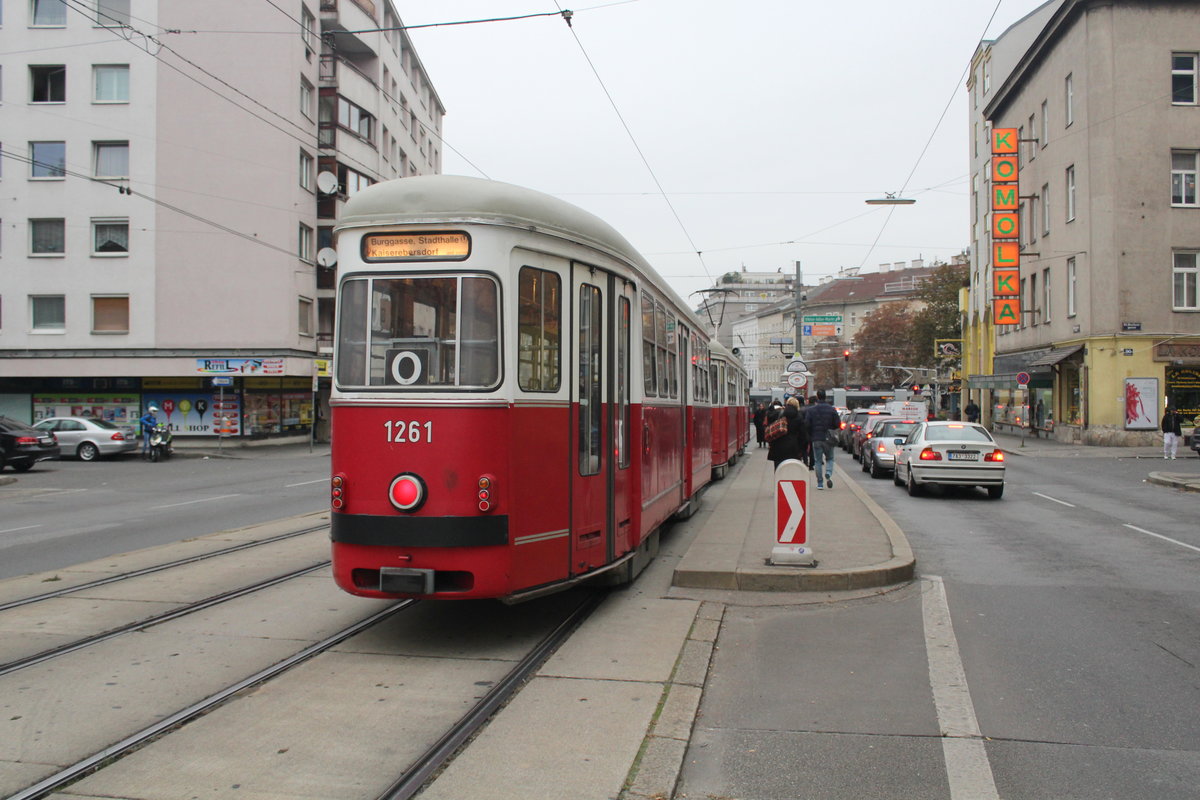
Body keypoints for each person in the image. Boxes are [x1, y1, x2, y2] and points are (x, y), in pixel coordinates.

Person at [806, 390, 841, 489]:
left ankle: (820, 483)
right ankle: (828, 473)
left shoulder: (811, 410)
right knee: (830, 458)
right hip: (829, 438)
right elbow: (837, 424)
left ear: (817, 397)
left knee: (818, 461)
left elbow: (807, 424)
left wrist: (811, 434)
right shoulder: (832, 409)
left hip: (816, 438)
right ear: (825, 397)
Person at [768, 397, 808, 469]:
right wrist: (801, 450)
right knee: (792, 471)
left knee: (779, 472)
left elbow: (772, 427)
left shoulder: (779, 414)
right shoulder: (799, 417)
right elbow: (803, 436)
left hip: (778, 447)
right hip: (794, 448)